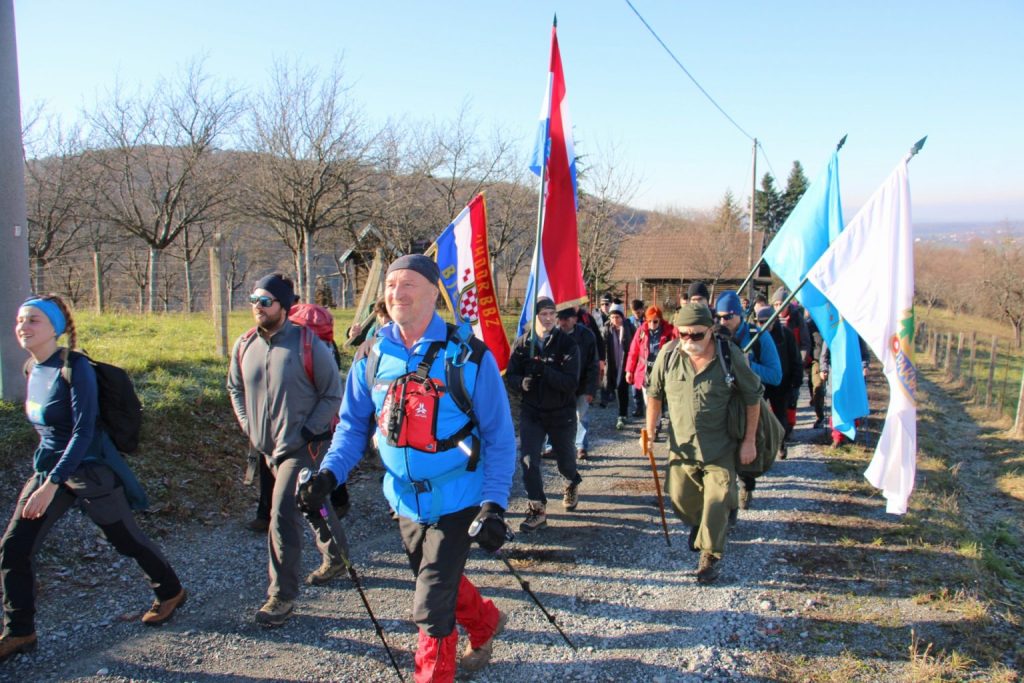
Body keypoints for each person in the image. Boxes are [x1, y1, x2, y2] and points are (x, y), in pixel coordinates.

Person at [301, 254, 516, 681]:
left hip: (459, 497)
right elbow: (350, 427)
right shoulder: (372, 354)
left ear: (434, 292)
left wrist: (494, 504)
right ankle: (485, 622)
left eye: (408, 284)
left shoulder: (469, 356)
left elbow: (499, 436)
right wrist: (328, 474)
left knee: (431, 605)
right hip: (404, 499)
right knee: (434, 577)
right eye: (390, 285)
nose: (395, 292)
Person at [1, 295, 186, 661]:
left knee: (125, 538)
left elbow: (83, 432)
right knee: (14, 546)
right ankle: (19, 630)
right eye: (21, 319)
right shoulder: (31, 369)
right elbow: (48, 433)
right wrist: (47, 479)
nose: (23, 326)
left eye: (33, 320)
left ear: (54, 328)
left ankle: (170, 590)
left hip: (88, 468)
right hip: (50, 468)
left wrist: (51, 485)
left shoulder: (75, 368)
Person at [227, 273, 346, 626]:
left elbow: (332, 393)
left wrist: (309, 430)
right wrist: (249, 426)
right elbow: (235, 388)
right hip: (268, 447)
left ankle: (281, 596)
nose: (257, 307)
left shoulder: (309, 345)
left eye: (265, 301)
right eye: (253, 300)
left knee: (281, 514)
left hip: (304, 446)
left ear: (283, 306)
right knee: (312, 501)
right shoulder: (244, 344)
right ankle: (337, 555)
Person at [646, 303, 762, 584]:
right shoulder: (669, 355)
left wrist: (749, 441)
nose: (689, 340)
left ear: (710, 330)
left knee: (717, 498)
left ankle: (709, 555)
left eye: (697, 335)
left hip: (719, 447)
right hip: (682, 447)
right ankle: (701, 523)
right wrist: (650, 430)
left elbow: (752, 396)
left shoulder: (729, 356)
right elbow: (655, 393)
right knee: (682, 499)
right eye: (683, 334)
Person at [506, 297, 582, 532]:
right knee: (529, 460)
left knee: (565, 460)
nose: (548, 319)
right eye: (543, 314)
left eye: (552, 314)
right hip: (533, 412)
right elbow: (511, 375)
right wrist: (522, 383)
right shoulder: (522, 344)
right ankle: (537, 509)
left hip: (561, 412)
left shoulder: (568, 346)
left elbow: (570, 383)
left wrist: (544, 371)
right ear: (534, 317)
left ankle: (571, 480)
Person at [714, 291, 781, 515]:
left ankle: (747, 486)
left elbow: (775, 374)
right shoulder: (715, 336)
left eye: (728, 317)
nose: (723, 321)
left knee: (747, 457)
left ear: (740, 315)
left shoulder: (758, 337)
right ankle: (728, 505)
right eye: (719, 316)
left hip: (748, 405)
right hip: (722, 405)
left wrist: (747, 366)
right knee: (723, 459)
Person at [756, 305, 803, 457]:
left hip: (781, 381)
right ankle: (761, 447)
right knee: (758, 415)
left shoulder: (786, 335)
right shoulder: (755, 336)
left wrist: (796, 382)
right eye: (760, 322)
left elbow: (795, 358)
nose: (763, 325)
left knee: (780, 414)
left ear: (774, 319)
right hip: (761, 381)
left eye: (766, 321)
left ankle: (781, 444)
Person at [556, 307, 599, 461]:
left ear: (574, 319)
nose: (563, 322)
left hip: (582, 384)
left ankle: (581, 446)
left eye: (566, 319)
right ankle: (552, 447)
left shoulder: (587, 335)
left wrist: (590, 390)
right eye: (560, 319)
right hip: (560, 385)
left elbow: (593, 364)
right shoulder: (554, 335)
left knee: (582, 416)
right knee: (555, 416)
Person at [625, 306, 678, 409]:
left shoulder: (669, 330)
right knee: (648, 401)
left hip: (663, 369)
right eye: (649, 321)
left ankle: (658, 421)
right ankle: (654, 423)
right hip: (645, 370)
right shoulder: (641, 331)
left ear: (660, 320)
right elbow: (633, 351)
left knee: (661, 398)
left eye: (655, 321)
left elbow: (679, 340)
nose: (652, 324)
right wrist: (629, 371)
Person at [601, 304, 636, 430]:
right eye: (613, 317)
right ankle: (606, 402)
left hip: (625, 363)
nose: (615, 320)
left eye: (617, 317)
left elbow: (634, 345)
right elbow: (602, 346)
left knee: (623, 389)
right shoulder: (606, 329)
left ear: (622, 317)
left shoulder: (629, 328)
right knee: (610, 385)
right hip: (611, 362)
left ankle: (622, 414)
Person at [627, 299, 647, 417]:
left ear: (642, 310)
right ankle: (638, 406)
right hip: (634, 354)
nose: (636, 315)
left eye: (638, 313)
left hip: (645, 356)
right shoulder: (629, 321)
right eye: (634, 313)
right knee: (634, 385)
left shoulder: (649, 320)